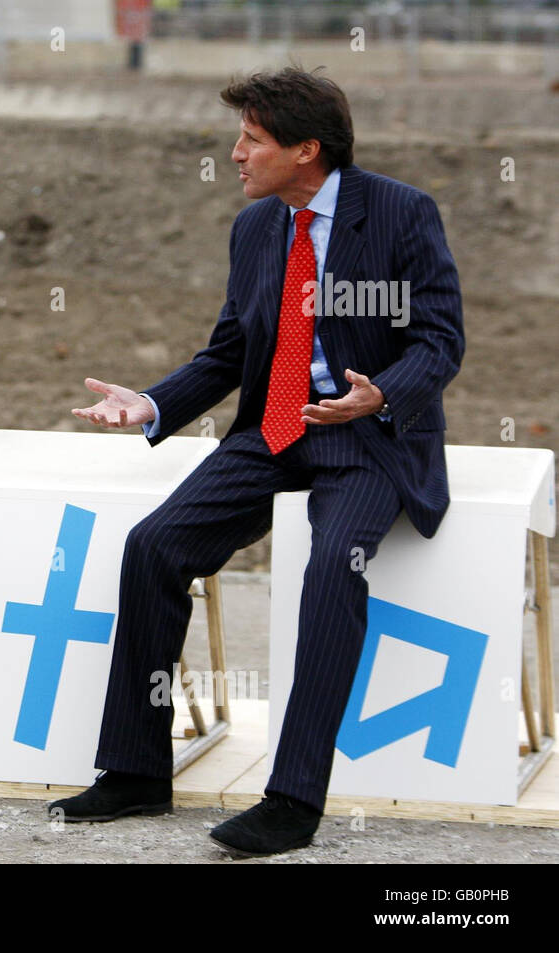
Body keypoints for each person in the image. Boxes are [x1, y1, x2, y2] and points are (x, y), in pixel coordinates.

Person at [55, 66, 464, 855]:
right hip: (275, 430)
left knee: (329, 567)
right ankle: (136, 771)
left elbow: (440, 341)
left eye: (252, 139)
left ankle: (292, 798)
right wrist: (151, 404)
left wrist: (378, 395)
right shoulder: (256, 227)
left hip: (368, 436)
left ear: (307, 150)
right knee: (153, 546)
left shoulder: (402, 212)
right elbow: (232, 349)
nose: (235, 154)